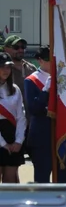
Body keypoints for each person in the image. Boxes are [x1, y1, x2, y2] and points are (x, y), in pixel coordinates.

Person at [23, 48, 53, 183]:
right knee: (42, 177)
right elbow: (33, 108)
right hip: (41, 134)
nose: (51, 63)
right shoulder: (31, 80)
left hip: (60, 132)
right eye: (48, 60)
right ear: (40, 60)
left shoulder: (62, 78)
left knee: (63, 176)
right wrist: (45, 90)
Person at [0, 52, 26, 184]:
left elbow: (21, 117)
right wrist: (3, 144)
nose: (6, 70)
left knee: (10, 180)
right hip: (1, 138)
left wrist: (19, 141)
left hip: (12, 135)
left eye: (8, 67)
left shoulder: (15, 89)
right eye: (2, 66)